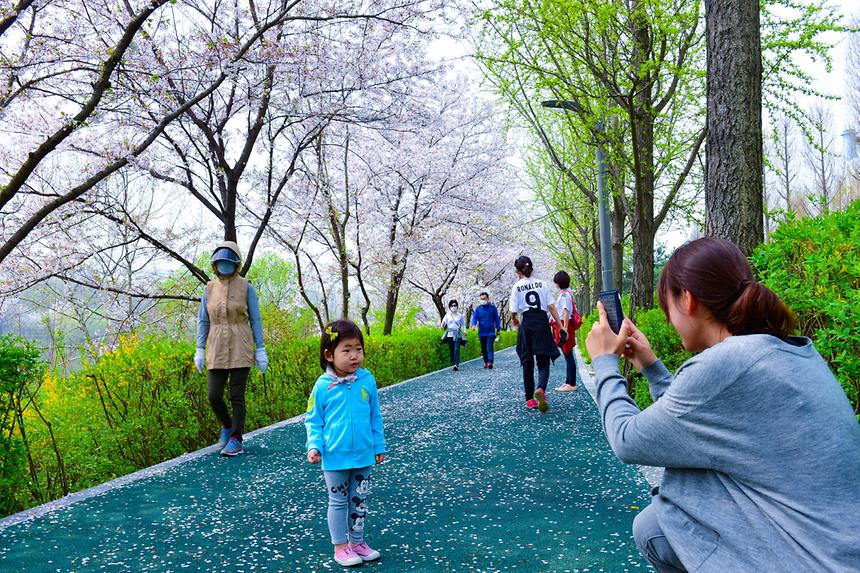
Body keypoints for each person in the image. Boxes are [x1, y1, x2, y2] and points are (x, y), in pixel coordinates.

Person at [585, 237, 860, 573]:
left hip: (809, 560)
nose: (669, 321)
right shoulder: (786, 351)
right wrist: (651, 367)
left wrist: (603, 363)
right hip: (837, 548)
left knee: (666, 511)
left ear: (687, 300)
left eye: (666, 307)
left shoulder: (727, 364)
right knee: (656, 524)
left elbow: (627, 440)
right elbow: (698, 420)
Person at [305, 319, 386, 568]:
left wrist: (378, 446)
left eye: (358, 349)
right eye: (347, 350)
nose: (355, 356)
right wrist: (314, 445)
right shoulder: (322, 387)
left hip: (363, 455)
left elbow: (375, 415)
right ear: (329, 355)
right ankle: (340, 546)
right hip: (335, 457)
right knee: (338, 502)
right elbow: (313, 420)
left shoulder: (366, 380)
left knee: (359, 501)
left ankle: (358, 542)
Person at [194, 241, 268, 457]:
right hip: (216, 344)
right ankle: (226, 425)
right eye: (220, 262)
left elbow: (255, 319)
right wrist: (199, 348)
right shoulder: (209, 288)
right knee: (213, 395)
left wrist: (260, 348)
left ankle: (236, 438)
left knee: (237, 395)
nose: (224, 265)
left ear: (235, 264)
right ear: (215, 264)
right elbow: (203, 320)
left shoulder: (246, 287)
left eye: (228, 262)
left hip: (240, 343)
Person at [509, 256, 563, 412]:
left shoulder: (517, 286)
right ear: (532, 268)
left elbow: (513, 311)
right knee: (543, 361)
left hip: (527, 323)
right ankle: (540, 389)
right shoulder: (542, 284)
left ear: (517, 271)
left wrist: (514, 320)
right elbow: (552, 307)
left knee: (527, 362)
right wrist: (560, 326)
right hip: (541, 323)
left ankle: (530, 400)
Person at [551, 271, 580, 391]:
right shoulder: (566, 293)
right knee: (567, 354)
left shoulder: (564, 295)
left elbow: (566, 311)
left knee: (568, 354)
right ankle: (568, 381)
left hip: (564, 325)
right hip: (563, 325)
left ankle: (571, 383)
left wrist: (565, 329)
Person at [470, 291, 501, 369]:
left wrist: (498, 329)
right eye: (481, 299)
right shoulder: (478, 309)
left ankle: (490, 362)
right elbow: (474, 318)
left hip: (490, 332)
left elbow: (496, 319)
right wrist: (473, 325)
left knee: (489, 347)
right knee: (483, 348)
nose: (482, 300)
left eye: (484, 299)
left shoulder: (493, 308)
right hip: (482, 332)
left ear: (488, 298)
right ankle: (486, 361)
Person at [440, 299, 467, 371]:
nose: (453, 307)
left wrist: (464, 331)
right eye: (452, 306)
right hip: (449, 334)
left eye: (455, 305)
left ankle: (456, 364)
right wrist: (442, 326)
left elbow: (463, 325)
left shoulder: (460, 316)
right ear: (449, 307)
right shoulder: (447, 315)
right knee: (452, 350)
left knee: (456, 349)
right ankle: (453, 363)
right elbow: (443, 323)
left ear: (457, 306)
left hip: (457, 334)